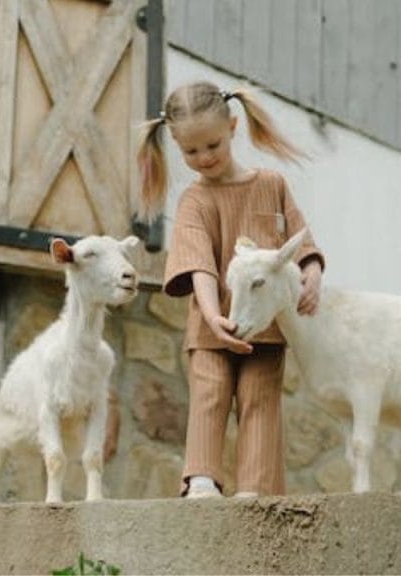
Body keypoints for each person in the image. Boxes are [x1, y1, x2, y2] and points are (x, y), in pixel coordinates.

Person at [136, 80, 325, 498]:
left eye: (212, 146)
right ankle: (201, 479)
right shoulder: (194, 201)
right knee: (211, 390)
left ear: (234, 127)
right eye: (190, 151)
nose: (203, 158)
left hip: (266, 328)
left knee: (260, 399)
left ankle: (255, 490)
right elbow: (198, 263)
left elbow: (301, 238)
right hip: (212, 327)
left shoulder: (272, 184)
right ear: (176, 146)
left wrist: (312, 272)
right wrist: (211, 315)